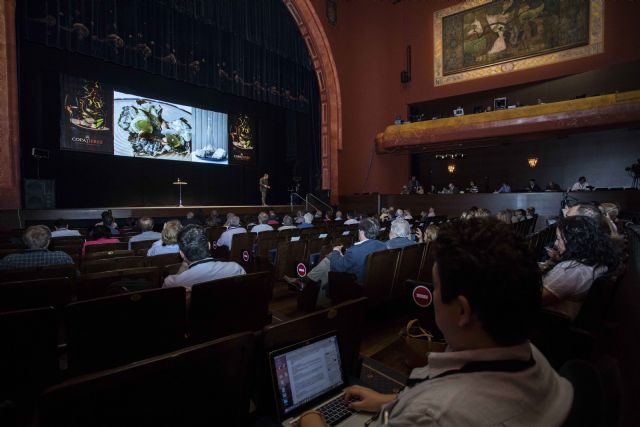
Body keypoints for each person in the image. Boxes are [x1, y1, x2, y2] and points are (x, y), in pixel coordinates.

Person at [297, 218, 573, 427]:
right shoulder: (533, 357)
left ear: (462, 311)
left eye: (436, 287)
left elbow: (433, 412)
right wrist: (390, 401)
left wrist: (311, 419)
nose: (432, 295)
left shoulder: (430, 415)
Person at [286, 218, 386, 307]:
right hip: (373, 280)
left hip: (356, 283)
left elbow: (337, 267)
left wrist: (336, 250)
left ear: (362, 232)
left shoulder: (355, 250)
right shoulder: (383, 245)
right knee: (327, 267)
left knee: (328, 264)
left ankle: (308, 284)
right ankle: (310, 289)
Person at [542, 216, 620, 320]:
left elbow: (536, 300)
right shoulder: (597, 260)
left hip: (553, 322)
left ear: (574, 241)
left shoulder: (571, 269)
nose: (556, 244)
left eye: (559, 238)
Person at [163, 225, 245, 289]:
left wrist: (183, 265)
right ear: (209, 246)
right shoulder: (236, 269)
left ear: (181, 254)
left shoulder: (171, 283)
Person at [0, 225, 74, 269]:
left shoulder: (8, 260)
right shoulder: (63, 257)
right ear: (48, 242)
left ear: (25, 242)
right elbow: (75, 276)